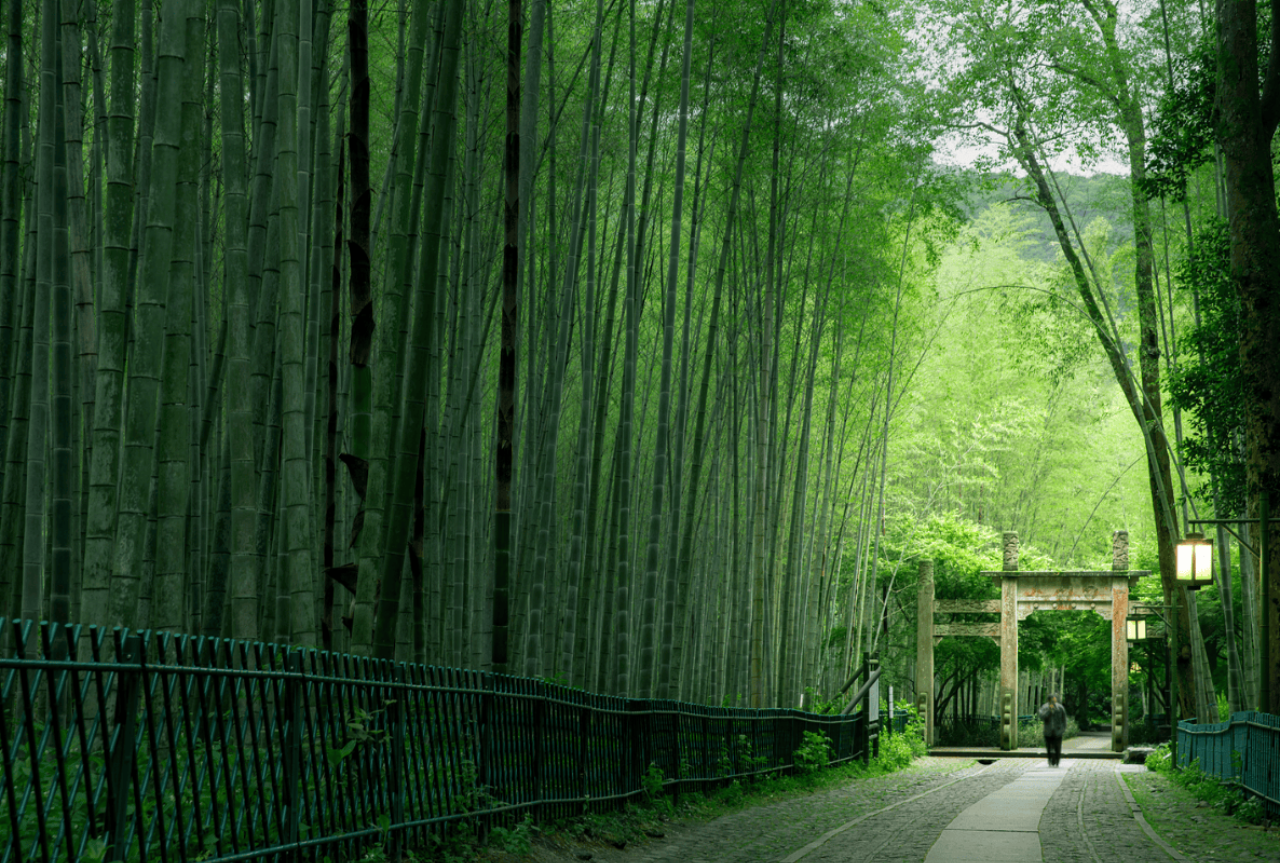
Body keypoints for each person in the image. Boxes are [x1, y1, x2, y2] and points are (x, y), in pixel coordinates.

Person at [1038, 694, 1067, 767]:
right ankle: (1050, 760)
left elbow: (1064, 719)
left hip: (1058, 731)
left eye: (1055, 699)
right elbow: (1042, 717)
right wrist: (1049, 710)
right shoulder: (1044, 707)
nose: (1054, 701)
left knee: (1057, 747)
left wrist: (1063, 729)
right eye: (1052, 700)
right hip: (1048, 731)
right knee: (1049, 747)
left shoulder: (1060, 708)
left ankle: (1057, 761)